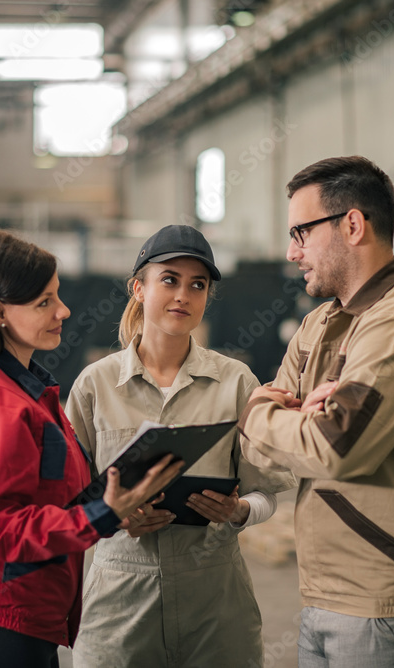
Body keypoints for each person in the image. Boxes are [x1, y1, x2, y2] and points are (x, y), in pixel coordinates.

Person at [0, 231, 183, 668]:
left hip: (27, 626)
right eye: (44, 302)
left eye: (57, 296)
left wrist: (118, 507)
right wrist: (101, 514)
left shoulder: (31, 394)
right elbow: (1, 529)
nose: (63, 311)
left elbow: (54, 501)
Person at [237, 157, 394, 668]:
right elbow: (264, 451)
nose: (292, 251)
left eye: (301, 232)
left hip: (385, 605)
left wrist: (257, 414)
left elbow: (335, 447)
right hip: (325, 594)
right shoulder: (321, 323)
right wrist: (288, 419)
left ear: (353, 225)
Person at [66, 225, 296, 668]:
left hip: (215, 600)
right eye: (169, 279)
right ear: (138, 288)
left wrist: (239, 512)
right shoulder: (95, 385)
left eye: (198, 285)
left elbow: (264, 491)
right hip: (120, 600)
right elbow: (68, 500)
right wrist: (112, 515)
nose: (183, 296)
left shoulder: (236, 382)